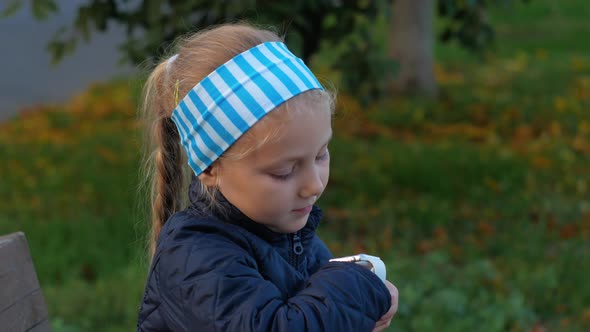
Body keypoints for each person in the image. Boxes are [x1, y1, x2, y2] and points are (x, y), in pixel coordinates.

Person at [137, 23, 398, 331]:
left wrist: (357, 308)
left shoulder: (286, 233)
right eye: (284, 171)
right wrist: (359, 289)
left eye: (320, 155)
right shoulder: (195, 258)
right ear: (210, 169)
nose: (313, 186)